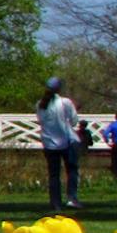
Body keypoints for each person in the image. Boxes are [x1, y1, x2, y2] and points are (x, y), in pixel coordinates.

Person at [38, 78, 82, 210]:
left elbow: (41, 121)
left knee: (54, 174)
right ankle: (72, 198)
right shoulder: (65, 102)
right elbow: (74, 121)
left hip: (49, 142)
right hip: (67, 140)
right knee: (72, 171)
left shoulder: (41, 104)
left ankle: (55, 202)